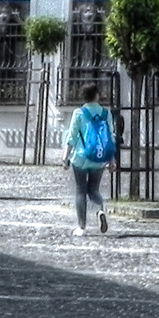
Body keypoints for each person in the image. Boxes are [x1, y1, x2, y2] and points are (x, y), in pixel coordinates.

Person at [64, 82, 117, 236]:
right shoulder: (106, 114)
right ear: (97, 95)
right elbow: (110, 138)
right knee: (93, 189)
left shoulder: (79, 113)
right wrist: (111, 159)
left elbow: (72, 137)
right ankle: (100, 210)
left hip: (80, 158)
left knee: (81, 190)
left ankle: (81, 226)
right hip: (99, 158)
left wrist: (65, 158)